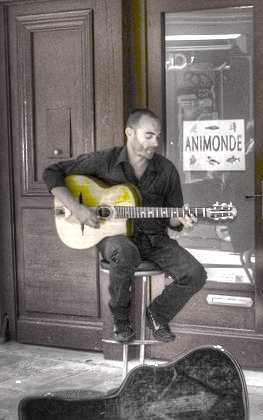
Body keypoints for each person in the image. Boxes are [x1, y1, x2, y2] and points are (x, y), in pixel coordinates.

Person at [43, 108, 207, 343]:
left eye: (158, 137)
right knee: (126, 251)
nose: (155, 142)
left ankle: (157, 314)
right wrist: (77, 208)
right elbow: (52, 172)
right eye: (148, 136)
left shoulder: (166, 170)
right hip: (114, 237)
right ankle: (120, 320)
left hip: (154, 238)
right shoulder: (105, 161)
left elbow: (173, 217)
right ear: (129, 133)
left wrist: (182, 219)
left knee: (195, 274)